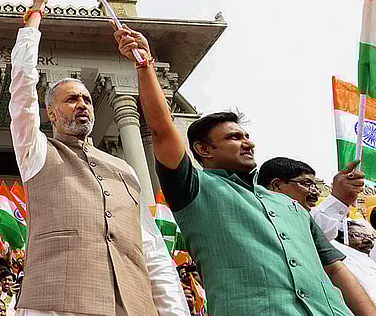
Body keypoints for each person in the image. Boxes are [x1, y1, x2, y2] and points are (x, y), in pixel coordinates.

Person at [114, 23, 376, 315]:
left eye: (246, 136)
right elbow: (162, 130)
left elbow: (335, 269)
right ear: (204, 150)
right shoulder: (195, 190)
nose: (248, 143)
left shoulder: (291, 206)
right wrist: (145, 66)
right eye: (234, 138)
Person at [9, 0, 188, 316]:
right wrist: (35, 14)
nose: (82, 105)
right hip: (57, 303)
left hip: (133, 307)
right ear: (50, 112)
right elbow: (22, 89)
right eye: (71, 99)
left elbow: (152, 251)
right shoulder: (38, 153)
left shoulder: (124, 170)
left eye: (87, 100)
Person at [260, 156, 376, 303]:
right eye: (306, 184)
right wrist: (339, 200)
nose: (315, 192)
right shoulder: (268, 229)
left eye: (315, 186)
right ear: (277, 185)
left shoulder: (337, 246)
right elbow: (306, 233)